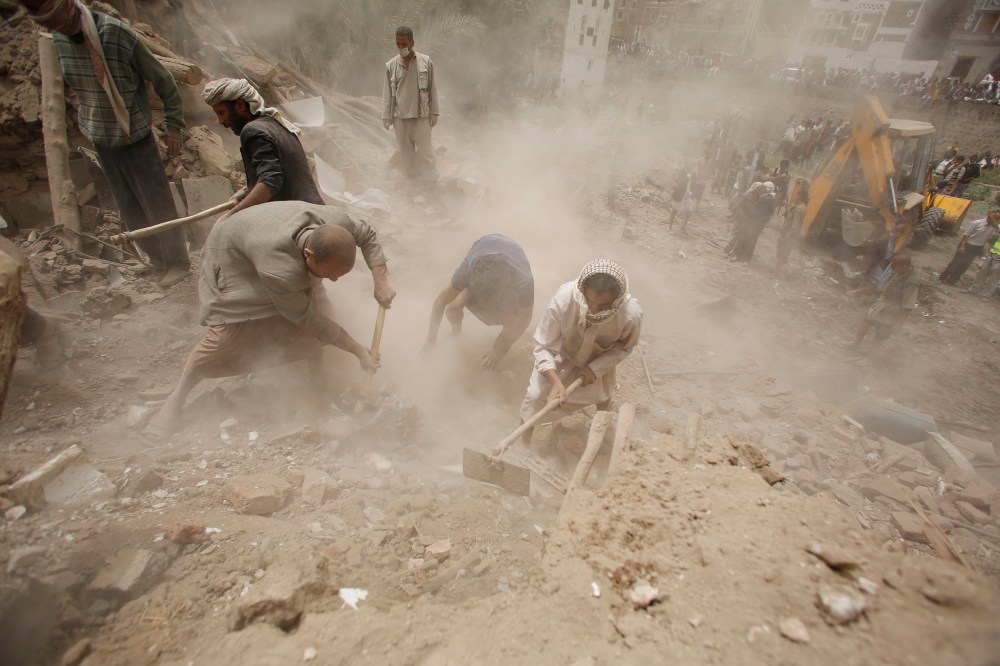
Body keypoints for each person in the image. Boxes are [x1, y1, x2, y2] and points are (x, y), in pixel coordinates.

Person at [140, 201, 396, 441]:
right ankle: (176, 399)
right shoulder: (279, 268)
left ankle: (317, 380)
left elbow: (367, 234)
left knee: (317, 302)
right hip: (229, 254)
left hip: (263, 235)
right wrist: (357, 349)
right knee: (231, 334)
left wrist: (381, 281)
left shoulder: (337, 223)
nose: (336, 281)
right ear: (308, 254)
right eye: (331, 275)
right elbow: (308, 319)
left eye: (339, 275)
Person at [25, 0, 190, 287]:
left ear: (69, 12)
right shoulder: (58, 42)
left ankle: (178, 262)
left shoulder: (115, 34)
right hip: (102, 138)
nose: (55, 29)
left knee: (157, 204)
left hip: (135, 137)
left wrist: (174, 126)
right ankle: (158, 261)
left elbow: (163, 78)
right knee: (129, 207)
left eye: (57, 23)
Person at [518, 259, 642, 440]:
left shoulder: (630, 315)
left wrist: (596, 368)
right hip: (564, 355)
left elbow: (624, 347)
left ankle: (603, 421)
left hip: (599, 361)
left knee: (601, 394)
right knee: (535, 397)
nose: (593, 310)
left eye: (603, 306)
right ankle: (523, 443)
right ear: (582, 291)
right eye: (589, 301)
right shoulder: (564, 299)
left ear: (616, 301)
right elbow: (544, 344)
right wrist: (555, 383)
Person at [202, 78, 323, 219]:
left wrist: (232, 215)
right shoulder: (276, 124)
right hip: (315, 208)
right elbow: (284, 172)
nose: (220, 121)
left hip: (294, 217)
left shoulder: (252, 130)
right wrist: (247, 191)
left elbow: (271, 181)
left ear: (240, 106)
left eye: (221, 113)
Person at [425, 235, 534, 369]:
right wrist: (431, 340)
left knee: (511, 320)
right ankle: (456, 331)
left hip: (508, 266)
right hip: (483, 246)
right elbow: (440, 301)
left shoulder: (523, 281)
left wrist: (499, 349)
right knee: (452, 308)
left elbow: (524, 320)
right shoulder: (467, 271)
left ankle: (499, 340)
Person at [382, 26, 439, 183]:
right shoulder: (391, 66)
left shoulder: (425, 62)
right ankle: (414, 185)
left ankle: (431, 184)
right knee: (406, 155)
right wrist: (386, 116)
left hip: (421, 116)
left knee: (426, 153)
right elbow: (387, 92)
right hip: (400, 118)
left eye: (404, 44)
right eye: (398, 44)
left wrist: (434, 112)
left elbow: (433, 87)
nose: (401, 47)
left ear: (412, 43)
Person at [847, 254, 921, 356]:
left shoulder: (912, 282)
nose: (892, 268)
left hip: (891, 312)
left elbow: (908, 306)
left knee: (880, 335)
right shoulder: (899, 270)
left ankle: (871, 358)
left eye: (895, 266)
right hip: (881, 304)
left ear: (904, 266)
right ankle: (854, 345)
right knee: (865, 320)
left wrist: (899, 323)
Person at [939, 211, 999, 285]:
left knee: (965, 265)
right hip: (967, 244)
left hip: (977, 247)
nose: (996, 220)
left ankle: (952, 280)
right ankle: (942, 278)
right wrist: (962, 246)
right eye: (995, 218)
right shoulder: (976, 223)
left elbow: (988, 239)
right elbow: (966, 235)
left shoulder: (994, 228)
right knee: (955, 263)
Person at [728, 181, 776, 263]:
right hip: (757, 223)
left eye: (764, 188)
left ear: (767, 189)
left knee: (748, 240)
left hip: (756, 223)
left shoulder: (768, 199)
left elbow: (761, 213)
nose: (762, 189)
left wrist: (752, 219)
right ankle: (742, 257)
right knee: (748, 239)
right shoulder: (769, 198)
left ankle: (742, 257)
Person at [775, 182, 809, 270]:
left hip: (788, 234)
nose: (795, 197)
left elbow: (794, 226)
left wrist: (786, 237)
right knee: (783, 253)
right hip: (792, 235)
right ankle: (776, 271)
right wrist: (787, 207)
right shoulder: (802, 207)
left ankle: (776, 273)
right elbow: (790, 216)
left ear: (800, 197)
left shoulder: (798, 209)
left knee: (781, 253)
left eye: (797, 196)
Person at [968, 233, 1000, 300]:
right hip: (992, 254)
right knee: (982, 272)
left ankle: (986, 295)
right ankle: (974, 289)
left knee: (994, 278)